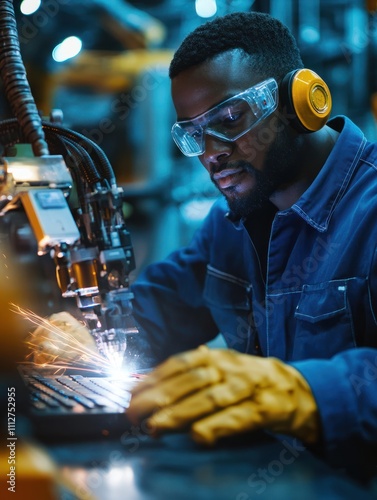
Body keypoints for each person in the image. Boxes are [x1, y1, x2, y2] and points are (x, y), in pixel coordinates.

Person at [124, 11, 377, 476]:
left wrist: (303, 393)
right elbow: (156, 309)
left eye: (229, 118)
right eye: (194, 133)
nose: (211, 152)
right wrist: (76, 331)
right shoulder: (233, 224)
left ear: (300, 101)